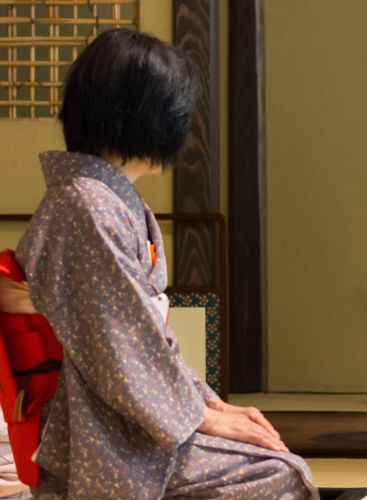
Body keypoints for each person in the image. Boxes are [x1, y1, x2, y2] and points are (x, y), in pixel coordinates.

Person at [13, 28, 318, 499]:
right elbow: (122, 348)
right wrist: (206, 417)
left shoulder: (102, 201)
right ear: (143, 117)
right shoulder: (85, 208)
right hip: (105, 436)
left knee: (276, 462)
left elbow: (142, 342)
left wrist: (211, 403)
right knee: (277, 477)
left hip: (127, 416)